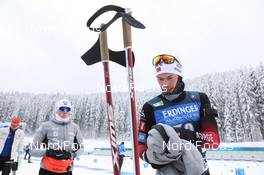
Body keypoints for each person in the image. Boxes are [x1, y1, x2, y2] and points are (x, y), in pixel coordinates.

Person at [138, 54, 220, 175]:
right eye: (160, 79)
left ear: (179, 76)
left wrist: (182, 135)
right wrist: (151, 158)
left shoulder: (199, 99)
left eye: (170, 77)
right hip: (167, 171)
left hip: (198, 169)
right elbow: (141, 145)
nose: (165, 83)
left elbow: (213, 140)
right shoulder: (150, 107)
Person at [30, 99, 84, 175]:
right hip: (47, 170)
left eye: (67, 110)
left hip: (66, 170)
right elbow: (32, 150)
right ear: (56, 110)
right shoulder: (45, 126)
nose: (64, 112)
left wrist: (72, 155)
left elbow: (81, 148)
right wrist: (48, 152)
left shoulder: (75, 127)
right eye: (62, 109)